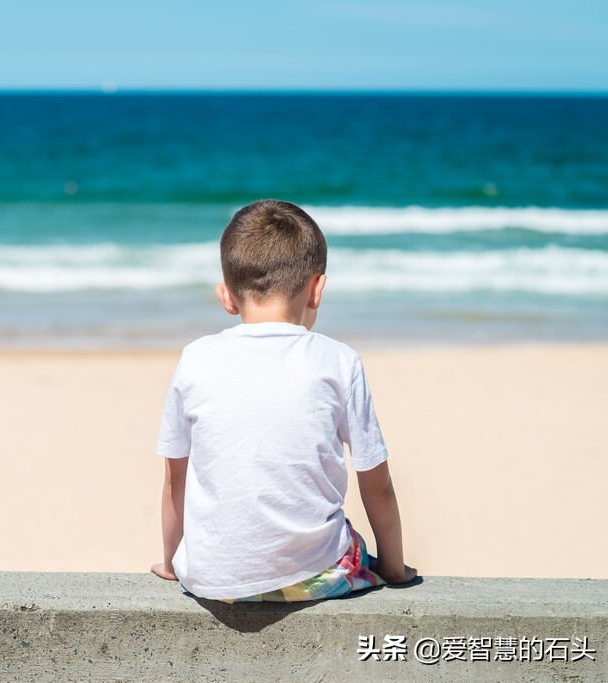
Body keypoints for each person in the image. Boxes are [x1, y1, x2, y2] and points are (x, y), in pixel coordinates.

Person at [150, 199, 417, 603]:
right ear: (317, 289)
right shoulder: (340, 361)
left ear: (227, 297)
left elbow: (176, 479)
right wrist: (394, 570)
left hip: (211, 582)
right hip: (315, 577)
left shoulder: (194, 358)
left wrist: (172, 562)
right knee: (350, 542)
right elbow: (375, 483)